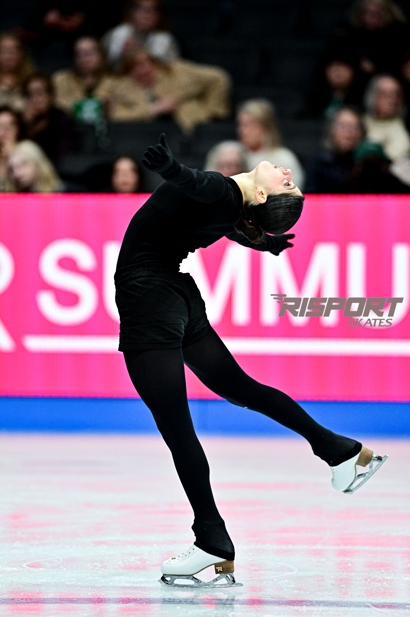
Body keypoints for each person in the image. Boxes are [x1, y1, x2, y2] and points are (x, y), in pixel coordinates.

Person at [114, 133, 387, 587]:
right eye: (290, 182)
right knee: (241, 389)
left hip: (149, 298)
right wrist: (263, 244)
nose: (288, 174)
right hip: (177, 297)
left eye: (287, 184)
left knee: (178, 429)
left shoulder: (222, 191)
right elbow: (232, 223)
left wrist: (168, 168)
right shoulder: (232, 207)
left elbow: (197, 184)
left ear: (260, 195)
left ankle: (211, 539)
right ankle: (338, 450)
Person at [121, 49, 231, 132]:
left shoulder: (177, 72)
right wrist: (153, 109)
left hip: (191, 129)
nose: (142, 71)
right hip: (146, 138)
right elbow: (118, 116)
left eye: (145, 64)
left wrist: (211, 115)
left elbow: (218, 79)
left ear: (155, 64)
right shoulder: (124, 89)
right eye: (134, 68)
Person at [305, 106, 407, 193]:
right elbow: (312, 199)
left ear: (362, 132)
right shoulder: (320, 165)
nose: (349, 132)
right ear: (332, 131)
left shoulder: (371, 163)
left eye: (354, 127)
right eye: (343, 126)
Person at [52, 36, 146, 124]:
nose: (83, 59)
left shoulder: (120, 82)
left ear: (101, 55)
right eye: (78, 54)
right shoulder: (60, 80)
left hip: (114, 132)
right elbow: (54, 107)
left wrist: (111, 113)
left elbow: (143, 109)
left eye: (88, 53)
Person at [328, 0, 409, 79]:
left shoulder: (399, 35)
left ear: (386, 14)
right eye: (365, 13)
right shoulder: (346, 34)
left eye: (375, 14)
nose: (369, 18)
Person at [237, 99, 305, 189]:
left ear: (267, 127)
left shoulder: (283, 158)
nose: (242, 130)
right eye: (241, 125)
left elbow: (291, 192)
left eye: (251, 124)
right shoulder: (231, 156)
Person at [102, 0, 180, 72]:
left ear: (159, 16)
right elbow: (106, 65)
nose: (146, 16)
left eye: (152, 11)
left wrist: (137, 54)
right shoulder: (117, 34)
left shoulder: (165, 39)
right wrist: (123, 54)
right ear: (131, 12)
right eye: (140, 9)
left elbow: (169, 68)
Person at [22, 72, 75, 166]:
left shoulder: (62, 119)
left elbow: (64, 154)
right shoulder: (20, 121)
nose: (35, 99)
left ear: (51, 95)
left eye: (39, 94)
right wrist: (27, 125)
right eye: (30, 95)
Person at [363, 74, 410, 163]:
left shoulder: (407, 124)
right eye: (385, 94)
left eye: (396, 95)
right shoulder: (360, 122)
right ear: (373, 96)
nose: (392, 100)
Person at [0, 33, 35, 112]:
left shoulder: (32, 82)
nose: (8, 56)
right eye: (4, 51)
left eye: (13, 51)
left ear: (22, 54)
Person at [0, 106, 23, 191]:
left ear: (17, 129)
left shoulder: (27, 152)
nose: (4, 131)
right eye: (1, 126)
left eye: (9, 126)